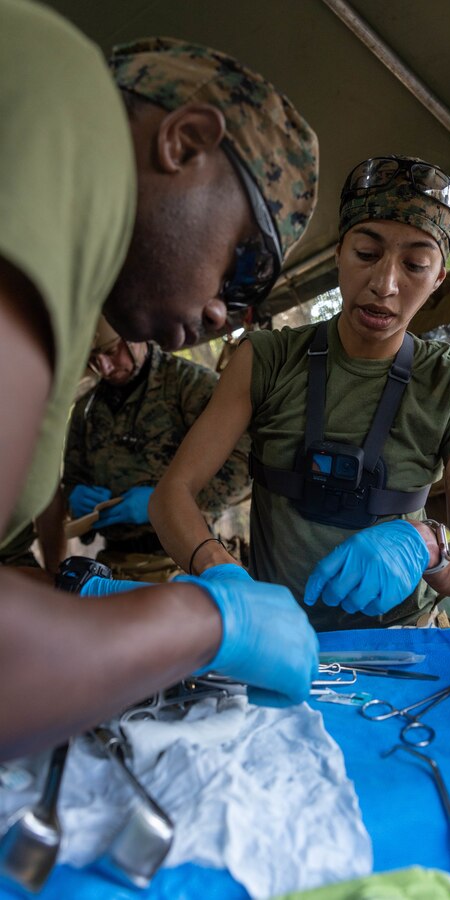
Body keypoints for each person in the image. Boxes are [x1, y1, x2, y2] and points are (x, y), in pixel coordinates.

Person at [0, 0, 319, 760]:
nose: (221, 312)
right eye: (243, 267)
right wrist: (205, 624)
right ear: (185, 142)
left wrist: (88, 603)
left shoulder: (91, 313)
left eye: (248, 303)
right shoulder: (61, 96)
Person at [150, 155, 450, 630]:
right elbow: (171, 494)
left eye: (415, 264)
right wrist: (219, 568)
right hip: (279, 635)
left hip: (403, 640)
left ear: (439, 277)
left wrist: (424, 545)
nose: (384, 284)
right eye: (366, 253)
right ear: (339, 253)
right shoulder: (266, 360)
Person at [62, 317, 251, 582]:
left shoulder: (189, 384)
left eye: (110, 352)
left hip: (185, 559)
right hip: (114, 566)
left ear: (135, 337)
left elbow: (244, 462)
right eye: (93, 359)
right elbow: (73, 477)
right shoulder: (87, 407)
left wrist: (169, 501)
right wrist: (74, 498)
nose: (104, 366)